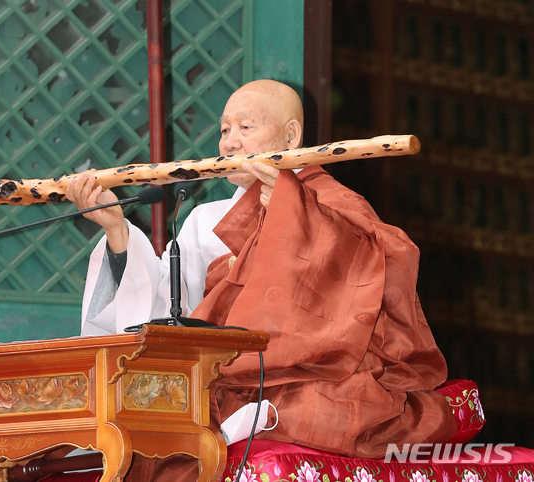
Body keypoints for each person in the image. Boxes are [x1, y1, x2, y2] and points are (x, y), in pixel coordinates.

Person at [66, 80, 456, 471]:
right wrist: (117, 232)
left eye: (245, 128)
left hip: (314, 378)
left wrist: (297, 217)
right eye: (224, 130)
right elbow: (170, 313)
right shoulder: (206, 219)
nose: (229, 143)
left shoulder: (334, 204)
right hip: (220, 382)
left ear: (291, 135)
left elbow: (383, 271)